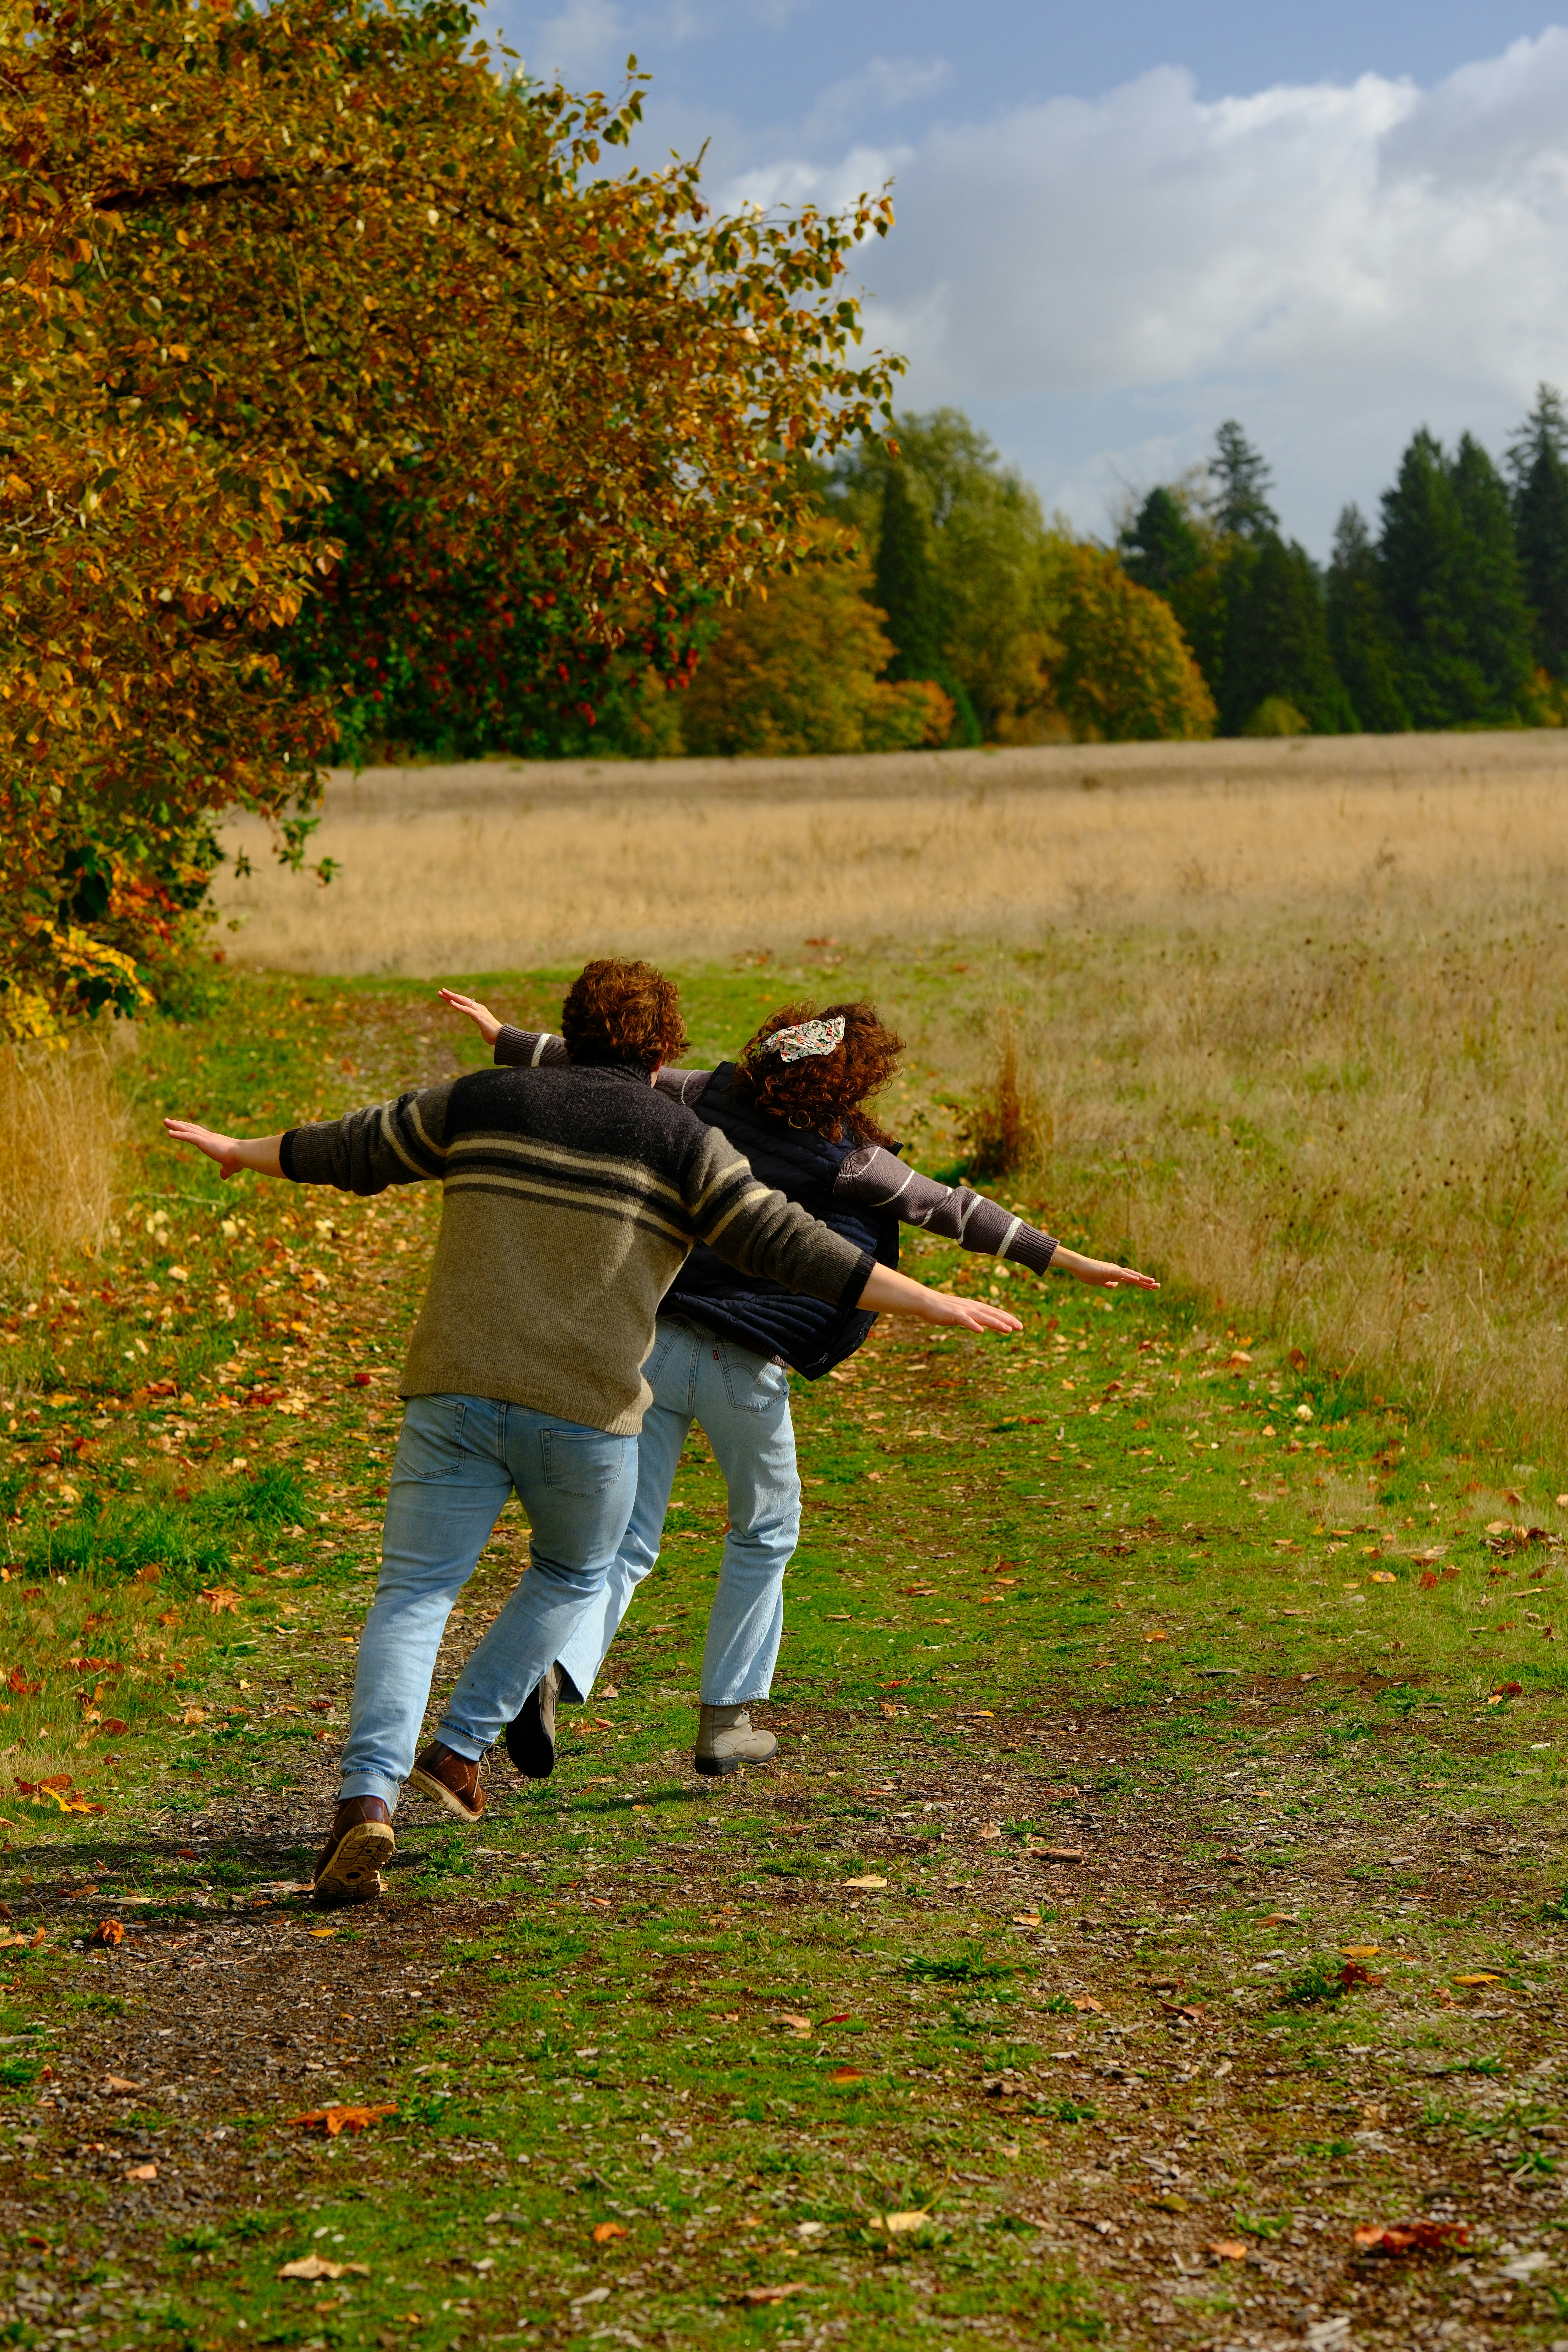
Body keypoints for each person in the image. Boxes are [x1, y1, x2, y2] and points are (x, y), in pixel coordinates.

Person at [165, 959, 1020, 1904]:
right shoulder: (682, 1139)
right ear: (661, 1053)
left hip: (453, 1391)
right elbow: (788, 1241)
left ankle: (366, 1800)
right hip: (585, 1413)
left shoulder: (484, 1102)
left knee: (415, 1594)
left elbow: (356, 1148)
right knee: (576, 1571)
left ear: (572, 1029)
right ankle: (458, 1744)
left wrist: (242, 1149)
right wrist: (931, 1301)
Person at [439, 988, 1157, 1779]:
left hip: (655, 1343)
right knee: (765, 1530)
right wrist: (1072, 1261)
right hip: (742, 1366)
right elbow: (956, 1211)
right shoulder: (850, 1157)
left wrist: (506, 1037)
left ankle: (560, 1667)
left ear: (774, 1055)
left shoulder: (705, 1094)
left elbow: (609, 1072)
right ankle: (725, 1719)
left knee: (626, 1539)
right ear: (851, 1082)